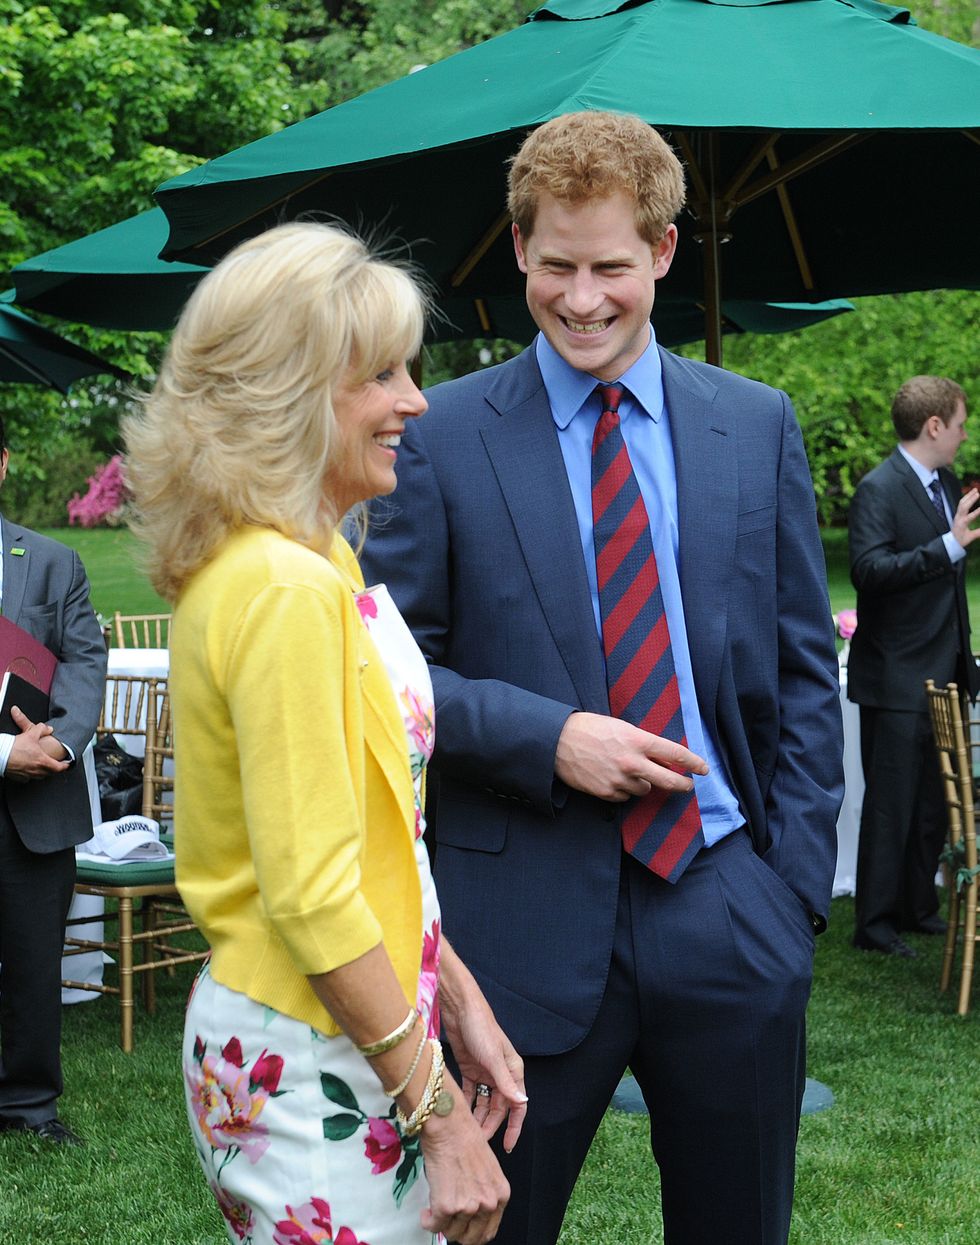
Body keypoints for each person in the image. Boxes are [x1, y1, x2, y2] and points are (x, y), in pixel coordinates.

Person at [360, 110, 844, 1245]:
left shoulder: (754, 424)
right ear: (519, 247)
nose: (582, 299)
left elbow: (800, 672)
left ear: (663, 254)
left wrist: (788, 897)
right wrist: (550, 737)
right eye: (557, 265)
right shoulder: (441, 433)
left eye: (611, 268)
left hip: (727, 908)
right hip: (517, 922)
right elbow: (388, 672)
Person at [123, 221, 526, 1245]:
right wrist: (435, 1112)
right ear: (288, 389)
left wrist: (457, 998)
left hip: (340, 1022)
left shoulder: (307, 563)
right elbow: (308, 891)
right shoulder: (283, 584)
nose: (414, 401)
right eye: (380, 375)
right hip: (315, 1048)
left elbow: (368, 843)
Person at [0, 415, 107, 1147]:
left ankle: (31, 1105)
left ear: (3, 461)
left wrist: (59, 746)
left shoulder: (52, 561)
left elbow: (84, 660)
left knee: (35, 959)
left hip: (39, 800)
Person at [848, 375, 980, 958]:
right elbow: (869, 572)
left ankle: (916, 906)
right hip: (895, 677)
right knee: (890, 804)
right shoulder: (878, 489)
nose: (963, 434)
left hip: (944, 671)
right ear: (934, 426)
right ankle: (874, 924)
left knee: (931, 801)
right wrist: (947, 547)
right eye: (959, 424)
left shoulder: (947, 483)